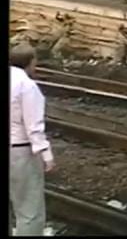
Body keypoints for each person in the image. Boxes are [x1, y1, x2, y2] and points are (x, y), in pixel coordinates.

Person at [10, 43, 54, 236]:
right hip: (20, 150)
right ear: (31, 62)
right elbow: (33, 126)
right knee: (29, 209)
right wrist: (46, 153)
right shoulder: (27, 86)